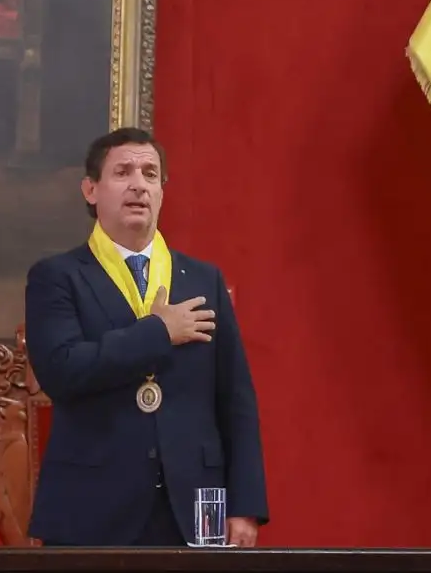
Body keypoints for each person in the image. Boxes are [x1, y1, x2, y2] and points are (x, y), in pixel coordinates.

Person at [24, 127, 267, 546]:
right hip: (92, 507)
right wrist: (158, 332)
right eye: (123, 172)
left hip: (193, 505)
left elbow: (236, 399)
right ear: (91, 189)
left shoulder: (203, 280)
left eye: (150, 174)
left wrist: (245, 505)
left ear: (162, 190)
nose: (139, 184)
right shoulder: (58, 277)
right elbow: (62, 371)